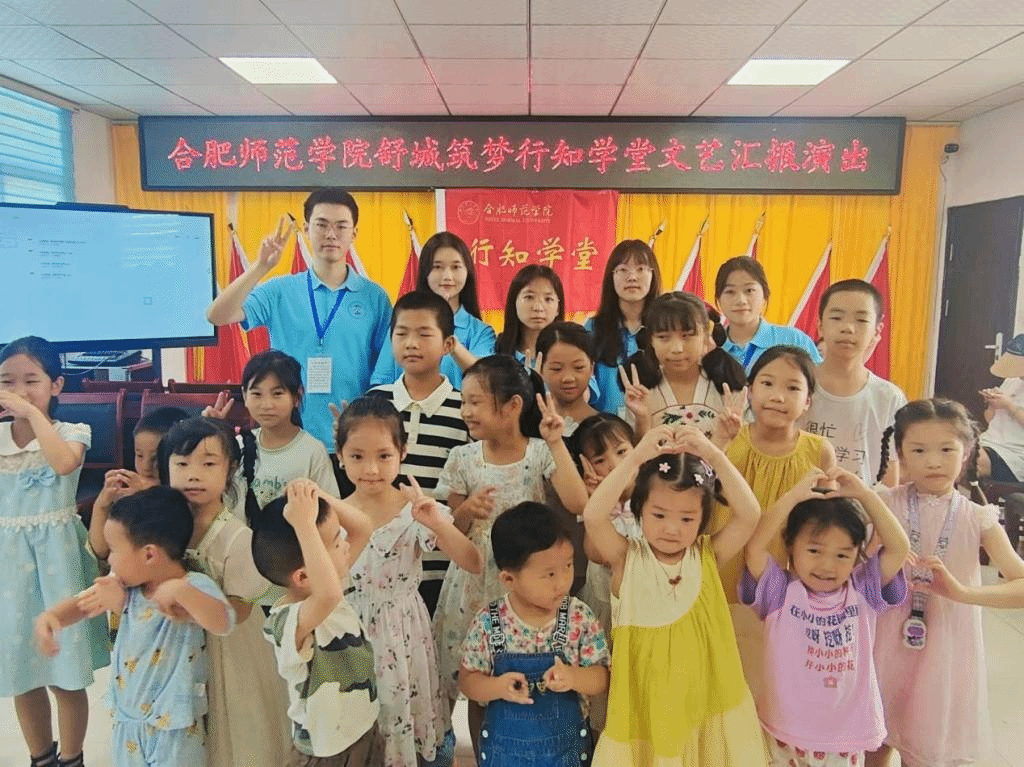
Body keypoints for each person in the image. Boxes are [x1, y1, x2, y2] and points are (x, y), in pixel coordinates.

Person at [583, 424, 768, 766]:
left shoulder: (707, 555)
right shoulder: (626, 558)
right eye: (659, 515)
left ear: (703, 519)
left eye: (687, 518)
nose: (671, 528)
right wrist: (635, 458)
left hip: (704, 706)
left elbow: (750, 513)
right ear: (639, 510)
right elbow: (594, 516)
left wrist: (714, 456)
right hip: (647, 712)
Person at [432, 355, 588, 740]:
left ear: (513, 405)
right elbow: (451, 531)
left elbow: (578, 502)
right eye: (464, 401)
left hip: (527, 585)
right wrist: (466, 510)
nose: (465, 411)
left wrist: (556, 442)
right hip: (473, 584)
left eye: (475, 401)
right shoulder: (462, 458)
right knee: (479, 682)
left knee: (529, 677)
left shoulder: (539, 453)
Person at [869, 399, 1024, 767]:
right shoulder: (882, 504)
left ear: (966, 452)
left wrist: (962, 592)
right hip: (883, 636)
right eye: (919, 450)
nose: (933, 462)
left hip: (946, 646)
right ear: (901, 455)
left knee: (927, 744)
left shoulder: (978, 517)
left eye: (946, 450)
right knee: (874, 740)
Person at [35, 487, 234, 767]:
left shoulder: (193, 585)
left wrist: (182, 592)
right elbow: (83, 603)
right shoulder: (125, 586)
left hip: (175, 728)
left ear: (149, 554)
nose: (110, 560)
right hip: (127, 722)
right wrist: (52, 617)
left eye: (115, 550)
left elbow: (223, 622)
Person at [334, 397, 481, 766]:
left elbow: (472, 561)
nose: (371, 469)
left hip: (404, 633)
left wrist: (437, 522)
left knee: (406, 717)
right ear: (340, 456)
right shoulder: (333, 514)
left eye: (384, 455)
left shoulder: (414, 509)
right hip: (350, 633)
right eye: (357, 456)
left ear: (402, 452)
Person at [740, 468, 909, 767]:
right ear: (791, 545)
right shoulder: (780, 592)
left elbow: (899, 547)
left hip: (844, 737)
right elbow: (754, 547)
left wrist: (865, 495)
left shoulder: (863, 590)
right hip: (785, 732)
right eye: (815, 550)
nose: (827, 566)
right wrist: (792, 497)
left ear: (856, 554)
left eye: (842, 555)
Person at [205, 188, 392, 449]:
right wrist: (261, 267)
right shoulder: (280, 290)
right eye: (321, 225)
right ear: (306, 229)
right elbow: (217, 315)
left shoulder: (375, 297)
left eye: (341, 226)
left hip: (351, 438)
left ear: (354, 233)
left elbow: (385, 371)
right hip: (289, 437)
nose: (331, 234)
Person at [0, 336, 108, 767]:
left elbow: (64, 464)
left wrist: (30, 413)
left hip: (59, 564)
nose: (19, 391)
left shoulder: (72, 432)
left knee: (66, 675)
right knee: (21, 672)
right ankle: (40, 757)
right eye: (7, 381)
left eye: (31, 381)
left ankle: (73, 758)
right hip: (9, 567)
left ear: (56, 385)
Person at [158, 417, 290, 767]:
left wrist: (193, 606)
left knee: (230, 727)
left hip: (226, 650)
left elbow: (240, 610)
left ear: (230, 469)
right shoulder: (164, 527)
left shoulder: (236, 537)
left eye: (208, 464)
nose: (193, 475)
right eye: (182, 464)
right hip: (175, 647)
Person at [459, 502, 610, 766]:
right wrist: (496, 687)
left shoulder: (578, 616)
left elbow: (601, 677)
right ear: (509, 579)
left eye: (568, 565)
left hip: (566, 754)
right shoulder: (489, 622)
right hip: (506, 756)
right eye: (549, 574)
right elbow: (468, 681)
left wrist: (573, 677)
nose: (562, 581)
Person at [252, 479, 384, 766]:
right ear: (303, 576)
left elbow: (364, 527)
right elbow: (328, 595)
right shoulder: (287, 620)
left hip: (362, 727)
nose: (346, 546)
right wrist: (304, 525)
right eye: (336, 543)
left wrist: (316, 496)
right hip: (326, 749)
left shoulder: (326, 583)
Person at [365, 291, 472, 617]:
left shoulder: (465, 409)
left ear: (448, 344)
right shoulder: (374, 402)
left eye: (424, 334)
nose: (411, 343)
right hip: (384, 564)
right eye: (402, 334)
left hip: (442, 563)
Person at [719, 345, 837, 601]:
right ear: (750, 391)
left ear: (807, 401)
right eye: (767, 383)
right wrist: (720, 443)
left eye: (792, 388)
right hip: (721, 571)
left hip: (785, 581)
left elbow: (828, 525)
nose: (778, 397)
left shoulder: (819, 451)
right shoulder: (728, 438)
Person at [802, 280, 906, 486]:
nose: (848, 328)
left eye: (861, 320)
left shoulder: (889, 398)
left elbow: (889, 476)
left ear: (877, 330)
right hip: (800, 503)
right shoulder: (798, 386)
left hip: (860, 505)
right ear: (820, 326)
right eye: (837, 317)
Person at [574, 413, 641, 735]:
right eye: (600, 460)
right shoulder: (597, 507)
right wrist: (599, 502)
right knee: (606, 693)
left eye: (622, 452)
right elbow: (595, 553)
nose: (615, 465)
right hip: (606, 613)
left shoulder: (654, 497)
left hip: (647, 613)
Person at [371, 231, 495, 389]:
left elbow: (486, 379)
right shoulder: (402, 324)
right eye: (437, 267)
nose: (447, 276)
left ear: (467, 272)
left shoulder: (481, 332)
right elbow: (381, 382)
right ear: (425, 272)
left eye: (456, 267)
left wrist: (452, 345)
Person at [622, 291, 746, 440]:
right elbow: (633, 452)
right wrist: (642, 420)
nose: (677, 349)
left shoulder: (727, 388)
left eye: (686, 336)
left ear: (706, 335)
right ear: (651, 340)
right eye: (663, 337)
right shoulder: (641, 391)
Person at [235, 350, 339, 510]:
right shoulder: (237, 446)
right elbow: (222, 505)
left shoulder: (313, 452)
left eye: (277, 394)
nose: (267, 405)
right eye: (257, 394)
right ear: (244, 396)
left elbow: (331, 511)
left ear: (296, 397)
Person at [88, 407, 190, 560]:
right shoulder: (127, 494)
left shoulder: (188, 495)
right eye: (139, 455)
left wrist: (149, 495)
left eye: (156, 458)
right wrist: (101, 505)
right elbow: (101, 550)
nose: (146, 466)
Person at [585, 240, 662, 418]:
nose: (632, 277)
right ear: (611, 276)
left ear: (653, 275)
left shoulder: (664, 329)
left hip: (657, 426)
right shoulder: (593, 329)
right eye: (623, 270)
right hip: (606, 428)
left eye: (640, 269)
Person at [714, 256, 821, 372]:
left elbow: (822, 381)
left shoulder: (794, 341)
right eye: (730, 292)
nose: (741, 300)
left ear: (765, 295)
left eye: (749, 290)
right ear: (718, 299)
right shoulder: (709, 347)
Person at [536, 322, 599, 437]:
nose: (568, 378)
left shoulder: (606, 427)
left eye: (578, 367)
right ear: (541, 370)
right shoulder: (526, 426)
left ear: (591, 368)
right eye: (557, 369)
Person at [494, 264, 564, 362]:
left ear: (558, 308)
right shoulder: (495, 349)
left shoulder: (569, 352)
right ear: (514, 302)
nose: (538, 308)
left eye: (548, 299)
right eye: (529, 297)